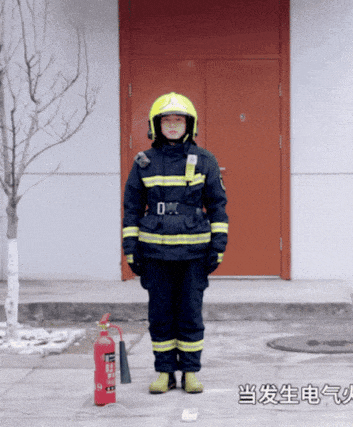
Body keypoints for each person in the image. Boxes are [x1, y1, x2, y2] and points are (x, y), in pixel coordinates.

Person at [122, 92, 228, 394]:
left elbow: (218, 207)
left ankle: (191, 373)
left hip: (194, 255)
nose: (172, 125)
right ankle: (165, 373)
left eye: (178, 120)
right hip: (155, 255)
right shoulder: (144, 163)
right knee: (160, 316)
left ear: (189, 125)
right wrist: (131, 249)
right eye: (166, 120)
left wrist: (218, 246)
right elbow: (132, 210)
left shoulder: (205, 161)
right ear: (155, 125)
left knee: (190, 314)